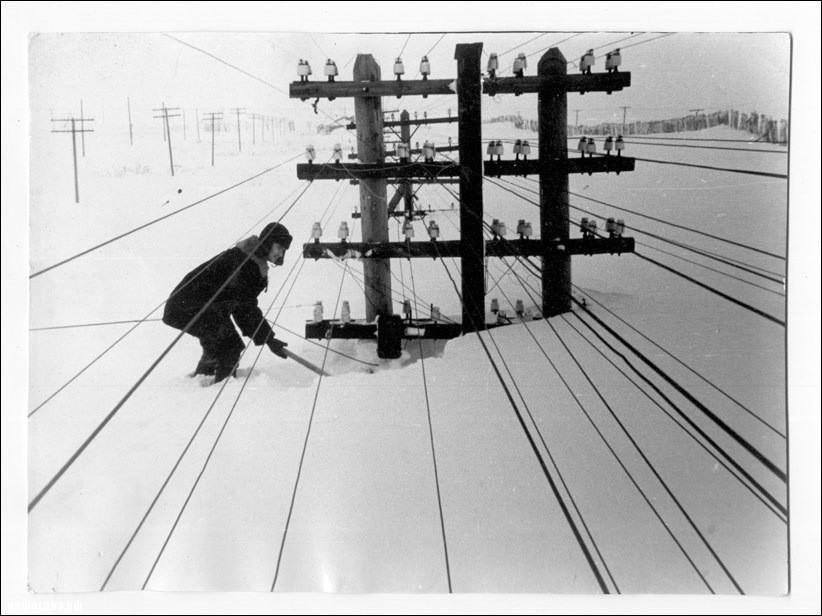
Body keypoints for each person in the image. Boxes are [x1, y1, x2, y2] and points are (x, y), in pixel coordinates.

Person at [162, 222, 293, 383]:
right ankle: (218, 392)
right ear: (267, 242)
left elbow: (243, 306)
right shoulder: (247, 264)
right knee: (230, 347)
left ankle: (201, 384)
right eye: (279, 247)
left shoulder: (250, 259)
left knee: (217, 343)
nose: (280, 254)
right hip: (189, 306)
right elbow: (244, 310)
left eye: (283, 250)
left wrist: (267, 338)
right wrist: (268, 339)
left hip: (186, 306)